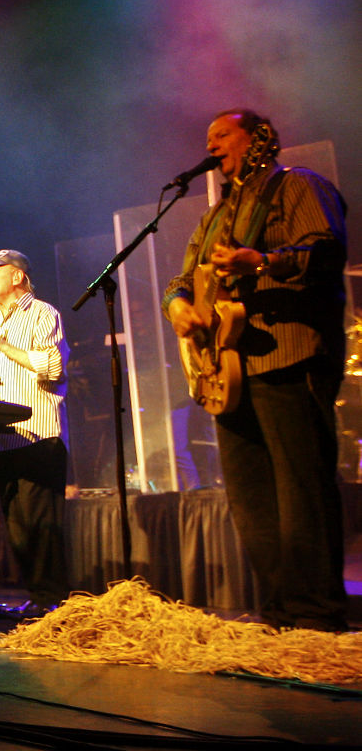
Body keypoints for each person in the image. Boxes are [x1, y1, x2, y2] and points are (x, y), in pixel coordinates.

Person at [163, 108, 350, 632]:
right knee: (250, 496)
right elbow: (180, 281)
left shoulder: (298, 186)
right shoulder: (217, 213)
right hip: (227, 368)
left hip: (290, 354)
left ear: (258, 138)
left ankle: (317, 612)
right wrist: (179, 307)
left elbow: (325, 250)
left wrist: (260, 263)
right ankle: (280, 610)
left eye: (222, 134)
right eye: (208, 137)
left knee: (301, 488)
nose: (212, 144)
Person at [0, 250, 71, 612]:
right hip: (1, 438)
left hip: (38, 434)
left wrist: (4, 346)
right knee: (17, 527)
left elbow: (52, 366)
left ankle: (52, 603)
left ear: (18, 276)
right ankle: (38, 602)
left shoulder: (43, 313)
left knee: (42, 525)